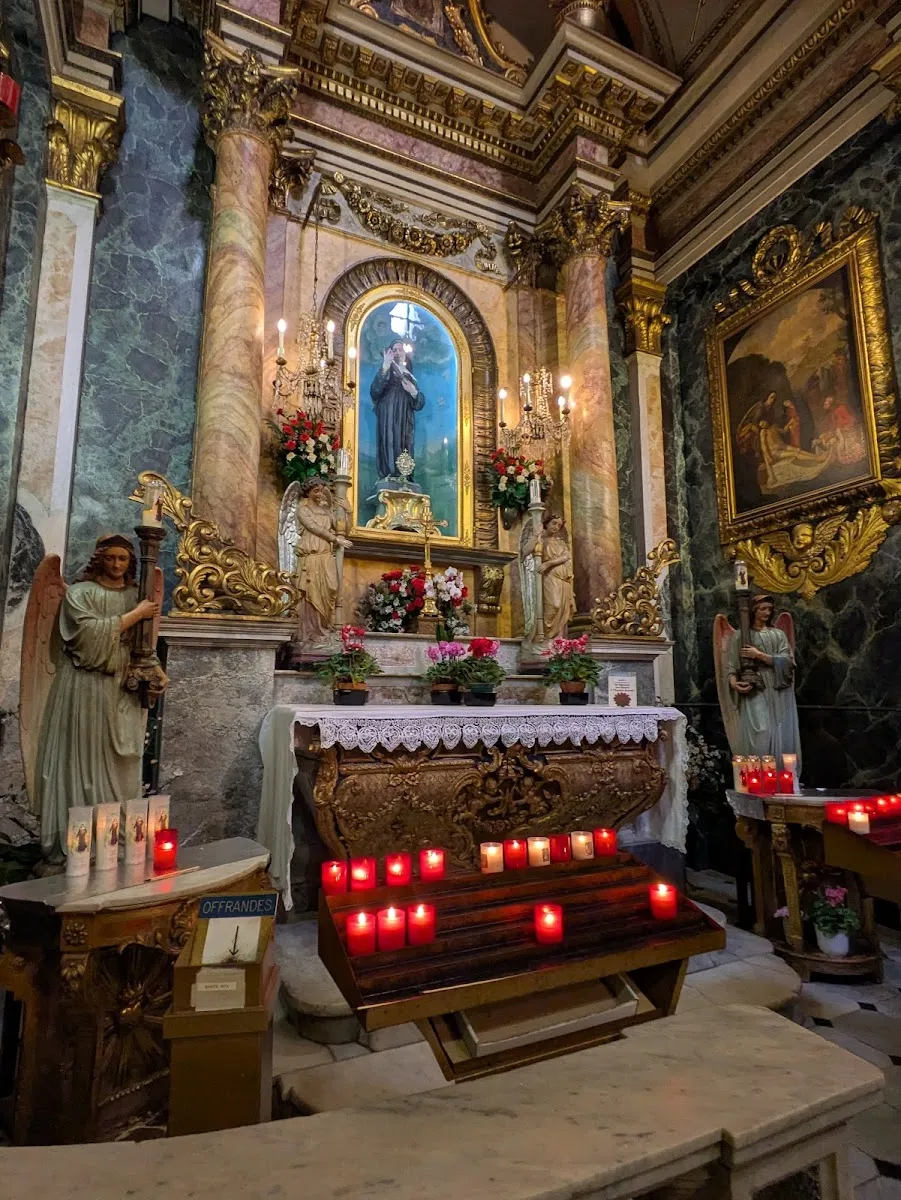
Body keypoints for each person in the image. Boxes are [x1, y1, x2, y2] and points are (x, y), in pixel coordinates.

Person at [34, 534, 160, 856]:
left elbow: (143, 648)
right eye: (110, 558)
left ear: (131, 563)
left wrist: (156, 672)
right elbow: (85, 639)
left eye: (123, 559)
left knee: (127, 762)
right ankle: (81, 847)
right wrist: (135, 615)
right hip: (84, 688)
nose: (117, 564)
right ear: (98, 559)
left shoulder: (137, 596)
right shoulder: (80, 594)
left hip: (121, 690)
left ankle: (116, 846)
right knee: (84, 761)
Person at [725, 594, 801, 769]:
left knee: (778, 730)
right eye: (762, 609)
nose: (767, 612)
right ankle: (756, 774)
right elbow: (731, 667)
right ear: (753, 611)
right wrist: (734, 683)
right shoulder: (741, 636)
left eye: (769, 609)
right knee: (761, 730)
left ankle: (779, 775)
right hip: (755, 688)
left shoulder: (778, 634)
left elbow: (789, 661)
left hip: (776, 686)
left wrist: (759, 655)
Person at [293, 479, 351, 648]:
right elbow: (314, 528)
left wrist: (347, 512)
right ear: (308, 492)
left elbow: (343, 529)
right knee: (311, 593)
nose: (319, 494)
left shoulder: (326, 510)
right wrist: (335, 539)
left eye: (321, 490)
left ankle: (324, 627)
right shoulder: (302, 510)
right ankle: (311, 632)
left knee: (331, 587)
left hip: (326, 555)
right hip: (311, 556)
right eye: (316, 491)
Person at [370, 340, 425, 481]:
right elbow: (374, 392)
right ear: (390, 353)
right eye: (394, 350)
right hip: (388, 413)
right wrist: (385, 367)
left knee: (405, 443)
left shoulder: (410, 376)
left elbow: (419, 404)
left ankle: (405, 476)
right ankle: (389, 474)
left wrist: (413, 392)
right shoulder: (386, 370)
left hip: (405, 417)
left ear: (405, 354)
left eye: (401, 350)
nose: (398, 352)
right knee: (389, 440)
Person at [521, 513, 576, 643]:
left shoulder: (560, 542)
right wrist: (535, 535)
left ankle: (557, 641)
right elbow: (525, 551)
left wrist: (549, 563)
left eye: (559, 525)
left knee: (563, 611)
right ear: (546, 523)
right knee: (554, 605)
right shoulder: (540, 540)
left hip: (564, 580)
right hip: (550, 577)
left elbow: (566, 556)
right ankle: (545, 636)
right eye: (554, 523)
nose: (556, 527)